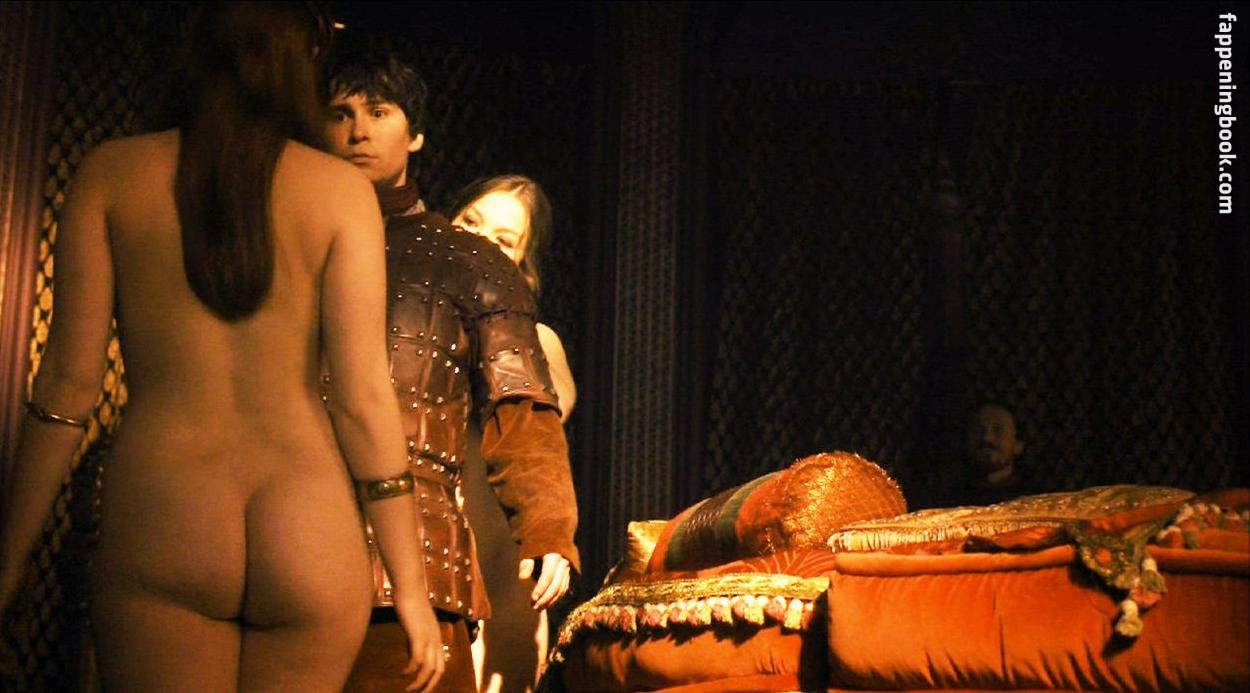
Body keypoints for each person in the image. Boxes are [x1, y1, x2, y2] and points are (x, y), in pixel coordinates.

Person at [0, 3, 444, 691]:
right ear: (305, 58)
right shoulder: (342, 193)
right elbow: (362, 399)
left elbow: (67, 388)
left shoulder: (112, 175)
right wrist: (410, 585)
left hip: (167, 516)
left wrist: (10, 556)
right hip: (309, 527)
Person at [321, 37, 581, 692]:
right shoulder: (281, 234)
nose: (358, 131)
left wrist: (549, 528)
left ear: (414, 134)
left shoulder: (467, 262)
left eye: (379, 112)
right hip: (286, 535)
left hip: (421, 545)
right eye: (340, 113)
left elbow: (524, 410)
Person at [449, 175, 575, 692]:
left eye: (503, 240)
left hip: (496, 574)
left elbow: (547, 410)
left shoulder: (535, 340)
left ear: (522, 266)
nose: (479, 242)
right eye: (470, 222)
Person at [959, 402, 1028, 506]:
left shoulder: (1034, 499)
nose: (987, 438)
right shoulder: (945, 498)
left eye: (998, 430)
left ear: (1018, 445)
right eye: (978, 430)